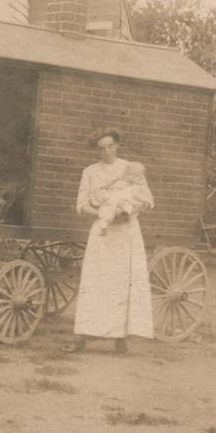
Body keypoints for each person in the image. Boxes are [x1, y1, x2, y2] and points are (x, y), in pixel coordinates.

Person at [63, 129, 154, 354]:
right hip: (102, 233)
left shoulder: (130, 169)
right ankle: (82, 334)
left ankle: (120, 336)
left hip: (126, 233)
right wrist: (103, 214)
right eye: (101, 148)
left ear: (117, 145)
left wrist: (127, 211)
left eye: (110, 146)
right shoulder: (90, 172)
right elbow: (81, 204)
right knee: (95, 281)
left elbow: (148, 200)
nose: (107, 152)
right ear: (97, 150)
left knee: (122, 283)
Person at [90, 161, 147, 236]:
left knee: (129, 206)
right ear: (125, 174)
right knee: (106, 210)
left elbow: (142, 200)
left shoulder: (138, 187)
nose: (131, 177)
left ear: (140, 177)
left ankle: (125, 214)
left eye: (136, 176)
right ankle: (103, 227)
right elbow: (108, 188)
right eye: (129, 174)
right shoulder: (120, 182)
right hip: (115, 200)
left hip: (127, 202)